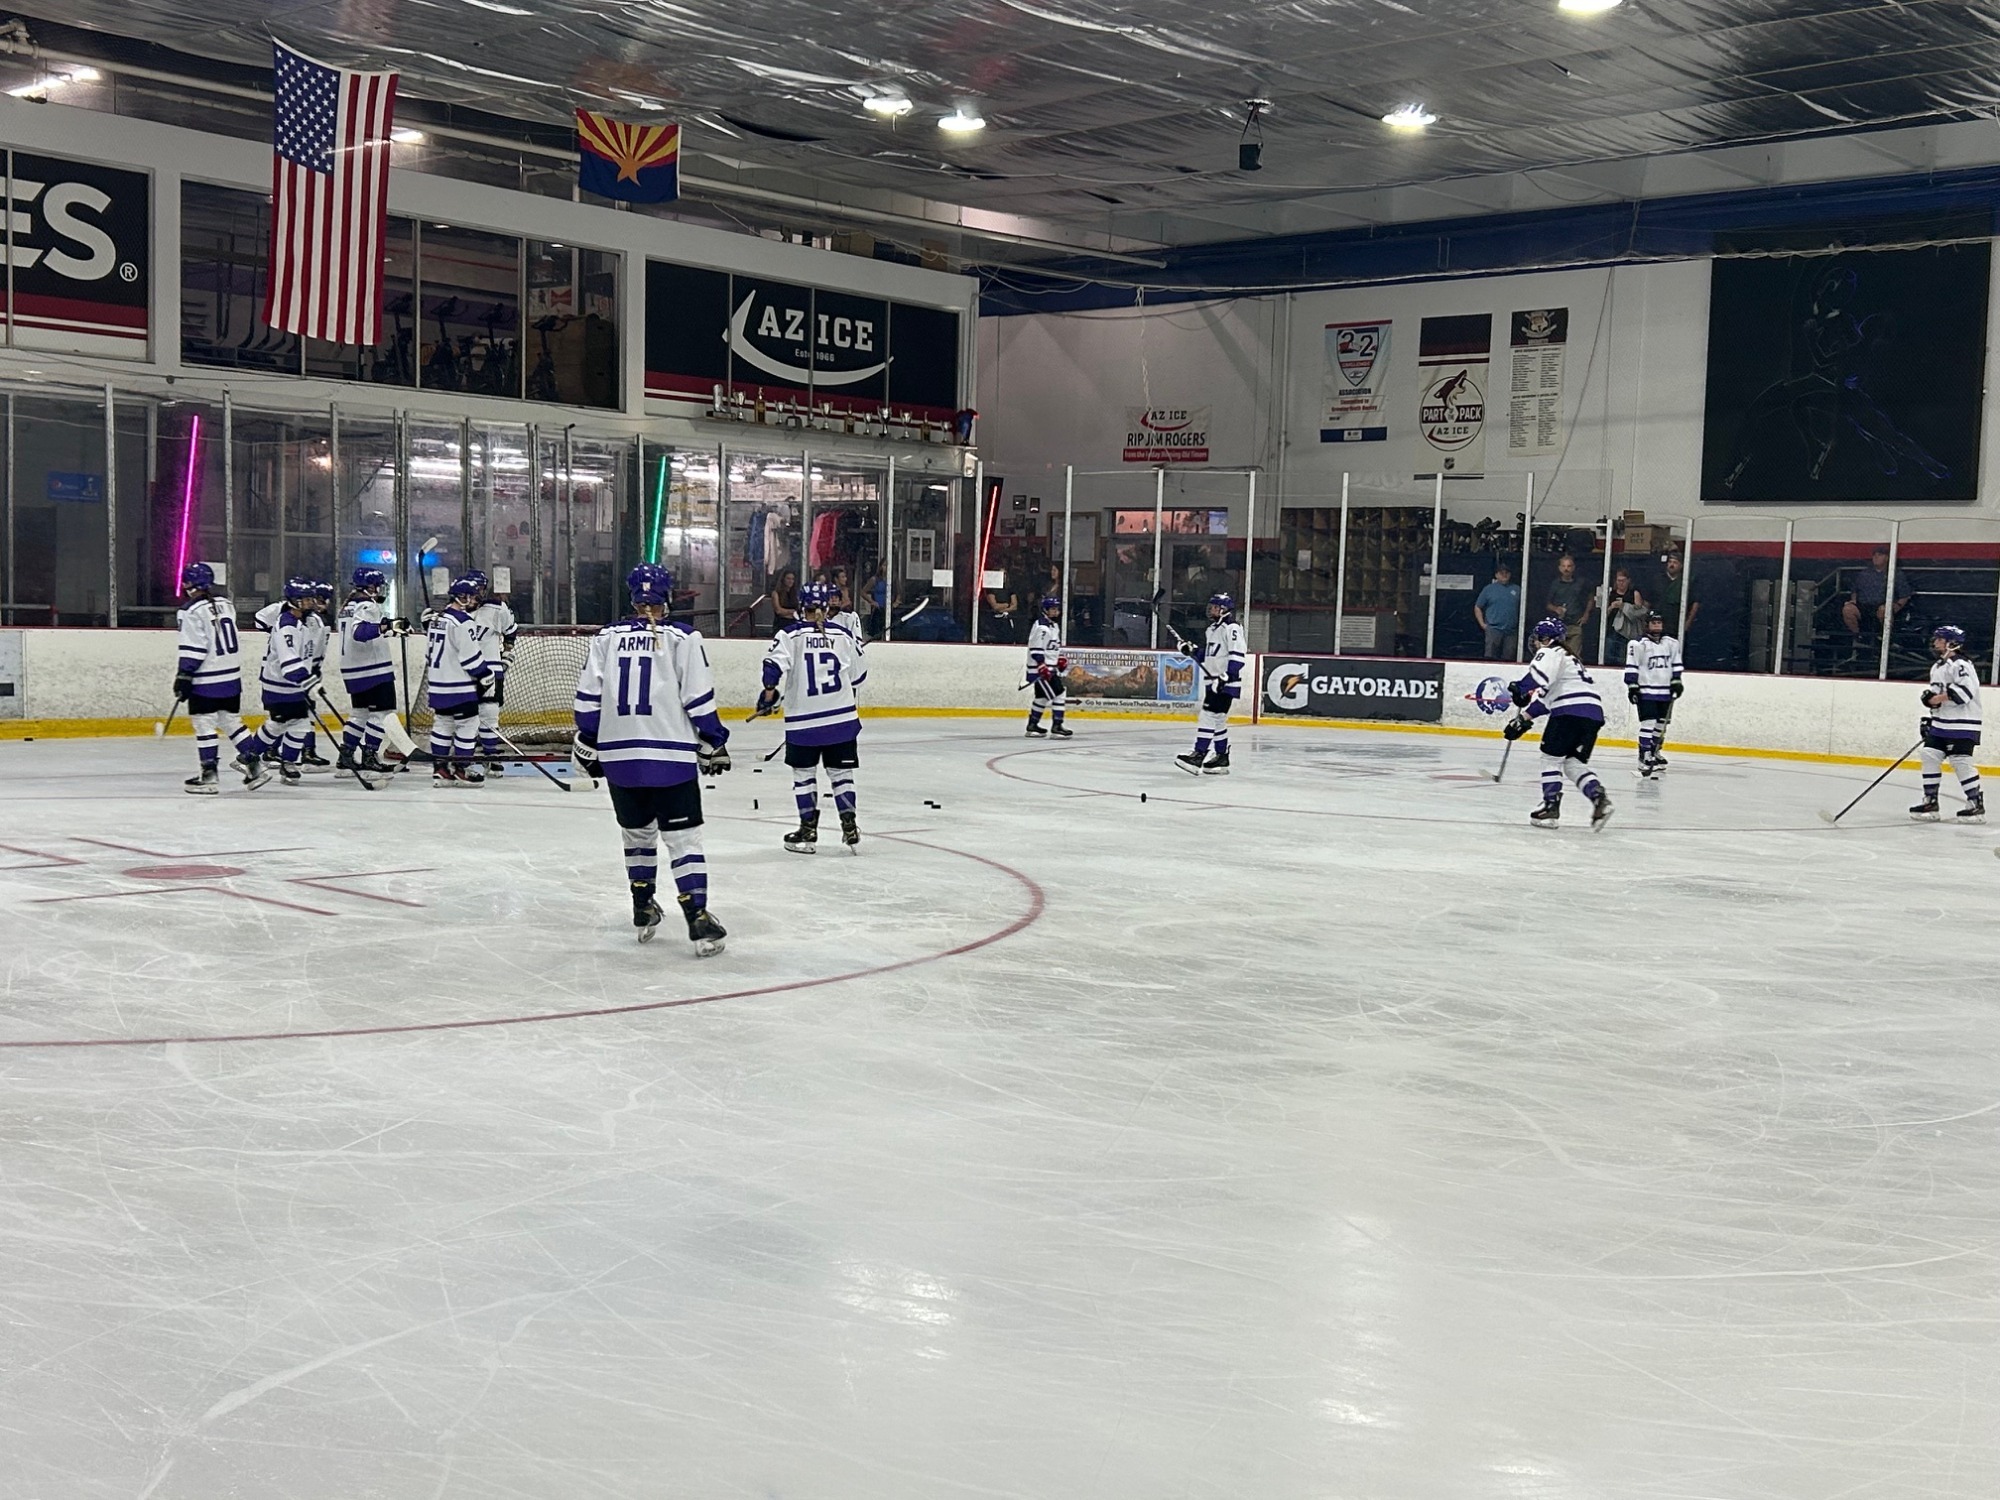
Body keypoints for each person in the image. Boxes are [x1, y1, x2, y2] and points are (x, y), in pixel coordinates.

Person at [572, 563, 731, 952]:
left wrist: (591, 742)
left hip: (620, 759)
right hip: (670, 757)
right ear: (668, 598)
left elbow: (587, 701)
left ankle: (642, 906)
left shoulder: (607, 638)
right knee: (683, 840)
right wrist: (715, 740)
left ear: (632, 598)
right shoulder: (683, 638)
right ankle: (697, 916)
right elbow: (697, 698)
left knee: (637, 835)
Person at [760, 579, 868, 852]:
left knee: (804, 776)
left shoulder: (790, 635)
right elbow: (858, 678)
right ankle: (849, 825)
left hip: (804, 723)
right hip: (841, 721)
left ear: (801, 606)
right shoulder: (843, 636)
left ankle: (808, 832)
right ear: (826, 606)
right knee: (842, 775)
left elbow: (772, 666)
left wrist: (769, 694)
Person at [1504, 616, 1613, 828]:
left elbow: (1539, 676)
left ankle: (1550, 808)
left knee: (1550, 758)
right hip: (1592, 715)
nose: (1534, 643)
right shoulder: (1571, 661)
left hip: (1568, 713)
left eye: (1537, 639)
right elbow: (1545, 699)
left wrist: (1521, 687)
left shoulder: (1551, 651)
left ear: (1545, 639)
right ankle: (1599, 798)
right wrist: (1522, 719)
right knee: (1573, 763)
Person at [172, 562, 261, 793]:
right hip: (231, 676)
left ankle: (209, 777)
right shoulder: (226, 604)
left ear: (191, 584)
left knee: (204, 723)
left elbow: (195, 648)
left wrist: (184, 674)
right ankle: (255, 766)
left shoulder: (190, 611)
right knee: (231, 721)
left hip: (207, 679)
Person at [240, 577, 320, 785]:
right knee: (281, 723)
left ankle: (285, 762)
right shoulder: (287, 625)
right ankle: (250, 757)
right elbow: (288, 660)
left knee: (297, 724)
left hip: (290, 684)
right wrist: (307, 680)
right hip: (279, 684)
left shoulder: (301, 622)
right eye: (305, 600)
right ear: (294, 601)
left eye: (310, 599)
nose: (310, 603)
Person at [424, 575, 494, 786]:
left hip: (437, 685)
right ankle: (461, 769)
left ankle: (440, 770)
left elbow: (429, 654)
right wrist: (485, 674)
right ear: (462, 597)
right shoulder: (463, 622)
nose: (475, 600)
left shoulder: (436, 619)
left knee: (443, 724)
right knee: (468, 724)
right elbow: (470, 658)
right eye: (472, 596)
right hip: (458, 686)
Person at [334, 567, 403, 779]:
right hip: (373, 670)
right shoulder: (367, 605)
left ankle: (346, 756)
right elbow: (360, 632)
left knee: (360, 714)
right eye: (379, 585)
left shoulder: (347, 607)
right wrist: (385, 627)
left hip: (353, 669)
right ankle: (370, 756)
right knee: (382, 714)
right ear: (371, 586)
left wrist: (389, 629)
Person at [1912, 624, 1983, 822]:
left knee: (1961, 761)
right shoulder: (1938, 667)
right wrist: (1930, 705)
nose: (1935, 643)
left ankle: (1976, 804)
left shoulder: (1961, 664)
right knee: (1929, 754)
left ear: (1952, 643)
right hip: (1941, 723)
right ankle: (1930, 801)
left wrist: (1936, 699)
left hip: (1963, 723)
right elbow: (1936, 695)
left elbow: (1964, 694)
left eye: (1940, 639)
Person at [1174, 592, 1246, 776]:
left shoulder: (1232, 628)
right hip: (1214, 682)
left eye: (1215, 607)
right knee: (1218, 719)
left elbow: (1237, 656)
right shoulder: (1212, 630)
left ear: (1224, 610)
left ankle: (1199, 754)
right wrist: (1191, 650)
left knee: (1208, 716)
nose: (1211, 610)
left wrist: (1226, 677)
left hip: (1224, 683)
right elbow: (1209, 656)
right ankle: (1221, 757)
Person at [467, 570, 518, 770]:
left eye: (479, 588)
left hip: (489, 670)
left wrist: (506, 655)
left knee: (489, 714)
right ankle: (464, 759)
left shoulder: (496, 609)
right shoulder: (454, 612)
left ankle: (490, 755)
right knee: (466, 718)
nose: (476, 592)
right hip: (463, 673)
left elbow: (511, 631)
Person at [1623, 610, 1684, 778]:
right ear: (1647, 625)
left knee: (1660, 726)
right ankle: (1644, 756)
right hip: (1646, 691)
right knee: (1648, 724)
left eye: (1659, 623)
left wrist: (1677, 682)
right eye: (1653, 623)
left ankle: (1654, 752)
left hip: (1665, 691)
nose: (1657, 626)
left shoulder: (1671, 643)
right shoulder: (1637, 644)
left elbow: (1676, 664)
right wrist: (1632, 686)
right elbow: (1632, 665)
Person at [1841, 546, 1908, 654]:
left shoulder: (1896, 574)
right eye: (1874, 555)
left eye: (1880, 555)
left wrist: (1897, 606)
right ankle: (1859, 637)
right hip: (1863, 606)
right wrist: (1853, 601)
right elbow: (1855, 590)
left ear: (1886, 558)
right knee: (1848, 609)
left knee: (1883, 610)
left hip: (1884, 606)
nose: (1876, 558)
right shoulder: (1864, 574)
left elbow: (1905, 595)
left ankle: (1886, 638)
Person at [1023, 595, 1072, 738]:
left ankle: (1032, 725)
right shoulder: (1042, 627)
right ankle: (1057, 726)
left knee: (1042, 697)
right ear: (1045, 610)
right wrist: (1041, 666)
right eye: (1053, 609)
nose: (1056, 612)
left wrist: (1059, 659)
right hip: (1041, 670)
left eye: (1057, 609)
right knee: (1059, 693)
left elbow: (1051, 648)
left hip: (1049, 668)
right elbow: (1036, 649)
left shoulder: (1054, 626)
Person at [1543, 554, 1593, 658]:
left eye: (1569, 566)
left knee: (1573, 657)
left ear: (1573, 567)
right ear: (1559, 568)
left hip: (1575, 624)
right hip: (1558, 626)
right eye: (1564, 566)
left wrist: (1586, 614)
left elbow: (1590, 598)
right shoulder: (1554, 584)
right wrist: (1556, 609)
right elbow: (1547, 604)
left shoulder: (1581, 583)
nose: (1566, 569)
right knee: (1557, 656)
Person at [1473, 563, 1521, 660]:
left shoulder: (1517, 589)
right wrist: (1482, 624)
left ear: (1510, 574)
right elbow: (1478, 607)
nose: (1504, 575)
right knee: (1490, 657)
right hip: (1493, 629)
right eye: (1501, 573)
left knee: (1509, 658)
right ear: (1496, 575)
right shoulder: (1488, 589)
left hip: (1511, 631)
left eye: (1506, 573)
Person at [1603, 567, 1648, 661]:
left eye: (1623, 580)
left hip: (1628, 629)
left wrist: (1623, 606)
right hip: (1612, 629)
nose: (1621, 583)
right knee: (1610, 654)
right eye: (1618, 581)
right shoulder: (1611, 594)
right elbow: (1604, 613)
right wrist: (1611, 607)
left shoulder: (1634, 593)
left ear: (1628, 581)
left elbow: (1639, 612)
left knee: (1624, 655)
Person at [1657, 550, 1702, 642]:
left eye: (1675, 562)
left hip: (1677, 627)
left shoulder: (1686, 581)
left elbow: (1695, 604)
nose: (1671, 565)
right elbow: (1648, 601)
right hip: (1659, 626)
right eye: (1670, 562)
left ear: (1681, 565)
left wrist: (1687, 624)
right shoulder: (1658, 580)